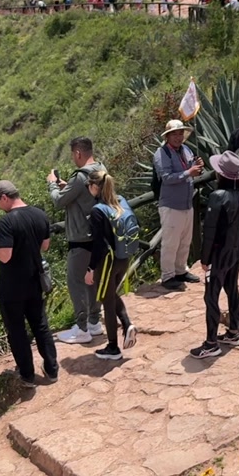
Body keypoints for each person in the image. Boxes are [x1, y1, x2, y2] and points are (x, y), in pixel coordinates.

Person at [0, 181, 58, 387]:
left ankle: (27, 375)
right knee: (40, 325)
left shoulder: (7, 222)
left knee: (17, 331)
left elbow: (5, 256)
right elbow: (45, 245)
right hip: (35, 280)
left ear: (4, 198)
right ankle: (52, 369)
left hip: (11, 286)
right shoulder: (40, 214)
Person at [190, 151, 239, 359]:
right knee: (232, 289)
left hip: (219, 253)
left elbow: (210, 232)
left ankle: (211, 342)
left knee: (211, 296)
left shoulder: (217, 197)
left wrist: (205, 259)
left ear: (220, 174)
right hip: (235, 249)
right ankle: (234, 331)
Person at [48, 136, 107, 344]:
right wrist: (69, 185)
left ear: (78, 153)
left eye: (74, 155)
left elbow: (58, 201)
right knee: (93, 281)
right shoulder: (101, 169)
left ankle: (82, 329)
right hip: (99, 236)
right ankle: (94, 322)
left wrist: (52, 185)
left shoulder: (79, 177)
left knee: (76, 282)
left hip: (81, 238)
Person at [83, 169, 139, 360]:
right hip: (124, 258)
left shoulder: (97, 211)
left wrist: (90, 269)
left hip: (108, 262)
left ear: (94, 187)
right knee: (111, 293)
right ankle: (127, 323)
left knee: (106, 301)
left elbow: (98, 245)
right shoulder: (120, 201)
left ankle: (113, 347)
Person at [154, 120, 203, 291]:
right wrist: (190, 172)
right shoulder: (161, 154)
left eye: (180, 133)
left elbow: (190, 170)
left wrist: (197, 168)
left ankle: (181, 270)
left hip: (187, 203)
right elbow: (167, 178)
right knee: (170, 242)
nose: (178, 137)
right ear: (167, 136)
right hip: (171, 205)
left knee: (185, 240)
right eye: (174, 134)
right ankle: (168, 276)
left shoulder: (186, 150)